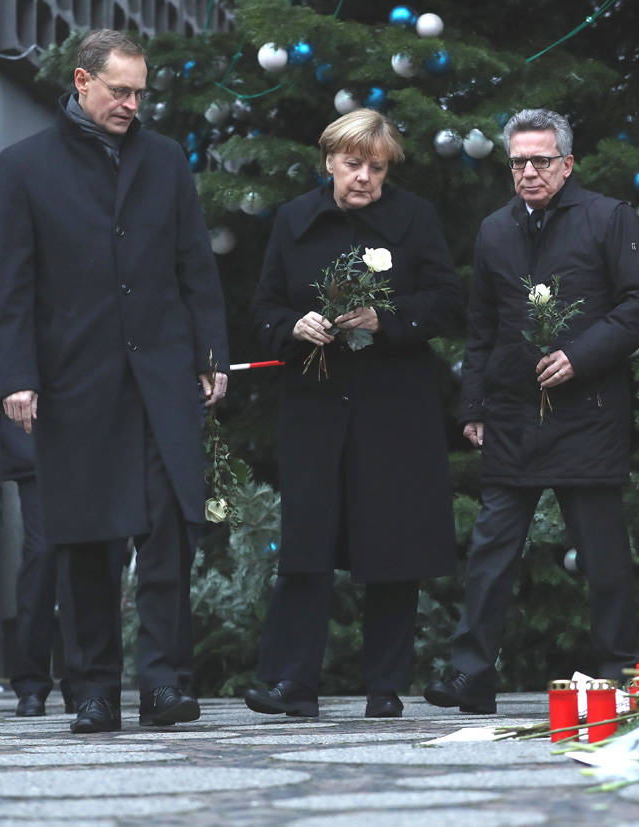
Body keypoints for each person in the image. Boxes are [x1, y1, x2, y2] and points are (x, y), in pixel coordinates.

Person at [0, 29, 229, 733]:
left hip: (162, 379)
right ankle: (92, 688)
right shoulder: (22, 167)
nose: (130, 103)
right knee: (86, 537)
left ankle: (162, 684)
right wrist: (15, 378)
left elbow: (195, 267)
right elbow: (7, 286)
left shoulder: (164, 161)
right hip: (74, 382)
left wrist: (211, 354)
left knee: (168, 531)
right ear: (82, 81)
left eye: (139, 92)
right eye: (118, 90)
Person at [423, 109, 639, 714]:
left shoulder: (610, 217)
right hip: (512, 412)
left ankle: (620, 672)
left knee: (603, 555)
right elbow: (482, 326)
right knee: (490, 550)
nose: (529, 172)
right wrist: (473, 403)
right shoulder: (494, 230)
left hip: (589, 409)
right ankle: (471, 674)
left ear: (567, 164)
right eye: (519, 162)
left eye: (541, 161)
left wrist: (579, 357)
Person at [247, 108, 461, 720]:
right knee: (307, 545)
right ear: (328, 162)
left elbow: (447, 301)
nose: (363, 177)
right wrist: (293, 324)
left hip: (394, 408)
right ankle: (293, 684)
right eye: (352, 164)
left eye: (376, 167)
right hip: (315, 407)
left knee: (392, 544)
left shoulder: (414, 217)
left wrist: (386, 321)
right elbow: (261, 306)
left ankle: (385, 687)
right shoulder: (293, 219)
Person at [0, 328, 129, 717]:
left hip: (96, 436)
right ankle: (30, 683)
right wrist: (18, 388)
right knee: (43, 554)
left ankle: (85, 683)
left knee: (93, 554)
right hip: (35, 433)